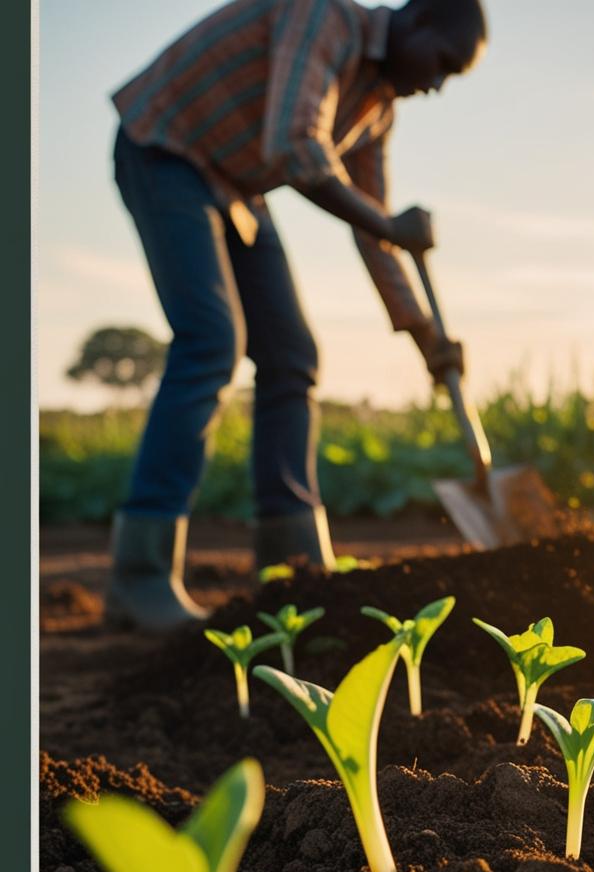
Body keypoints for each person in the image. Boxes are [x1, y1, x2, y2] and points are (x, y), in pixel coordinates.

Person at [105, 0, 487, 631]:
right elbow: (293, 144)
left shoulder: (377, 109)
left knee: (293, 355)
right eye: (443, 63)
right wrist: (387, 223)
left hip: (235, 184)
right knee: (211, 340)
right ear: (415, 21)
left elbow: (374, 233)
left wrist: (427, 336)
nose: (439, 85)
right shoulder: (324, 18)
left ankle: (292, 567)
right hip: (165, 148)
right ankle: (139, 576)